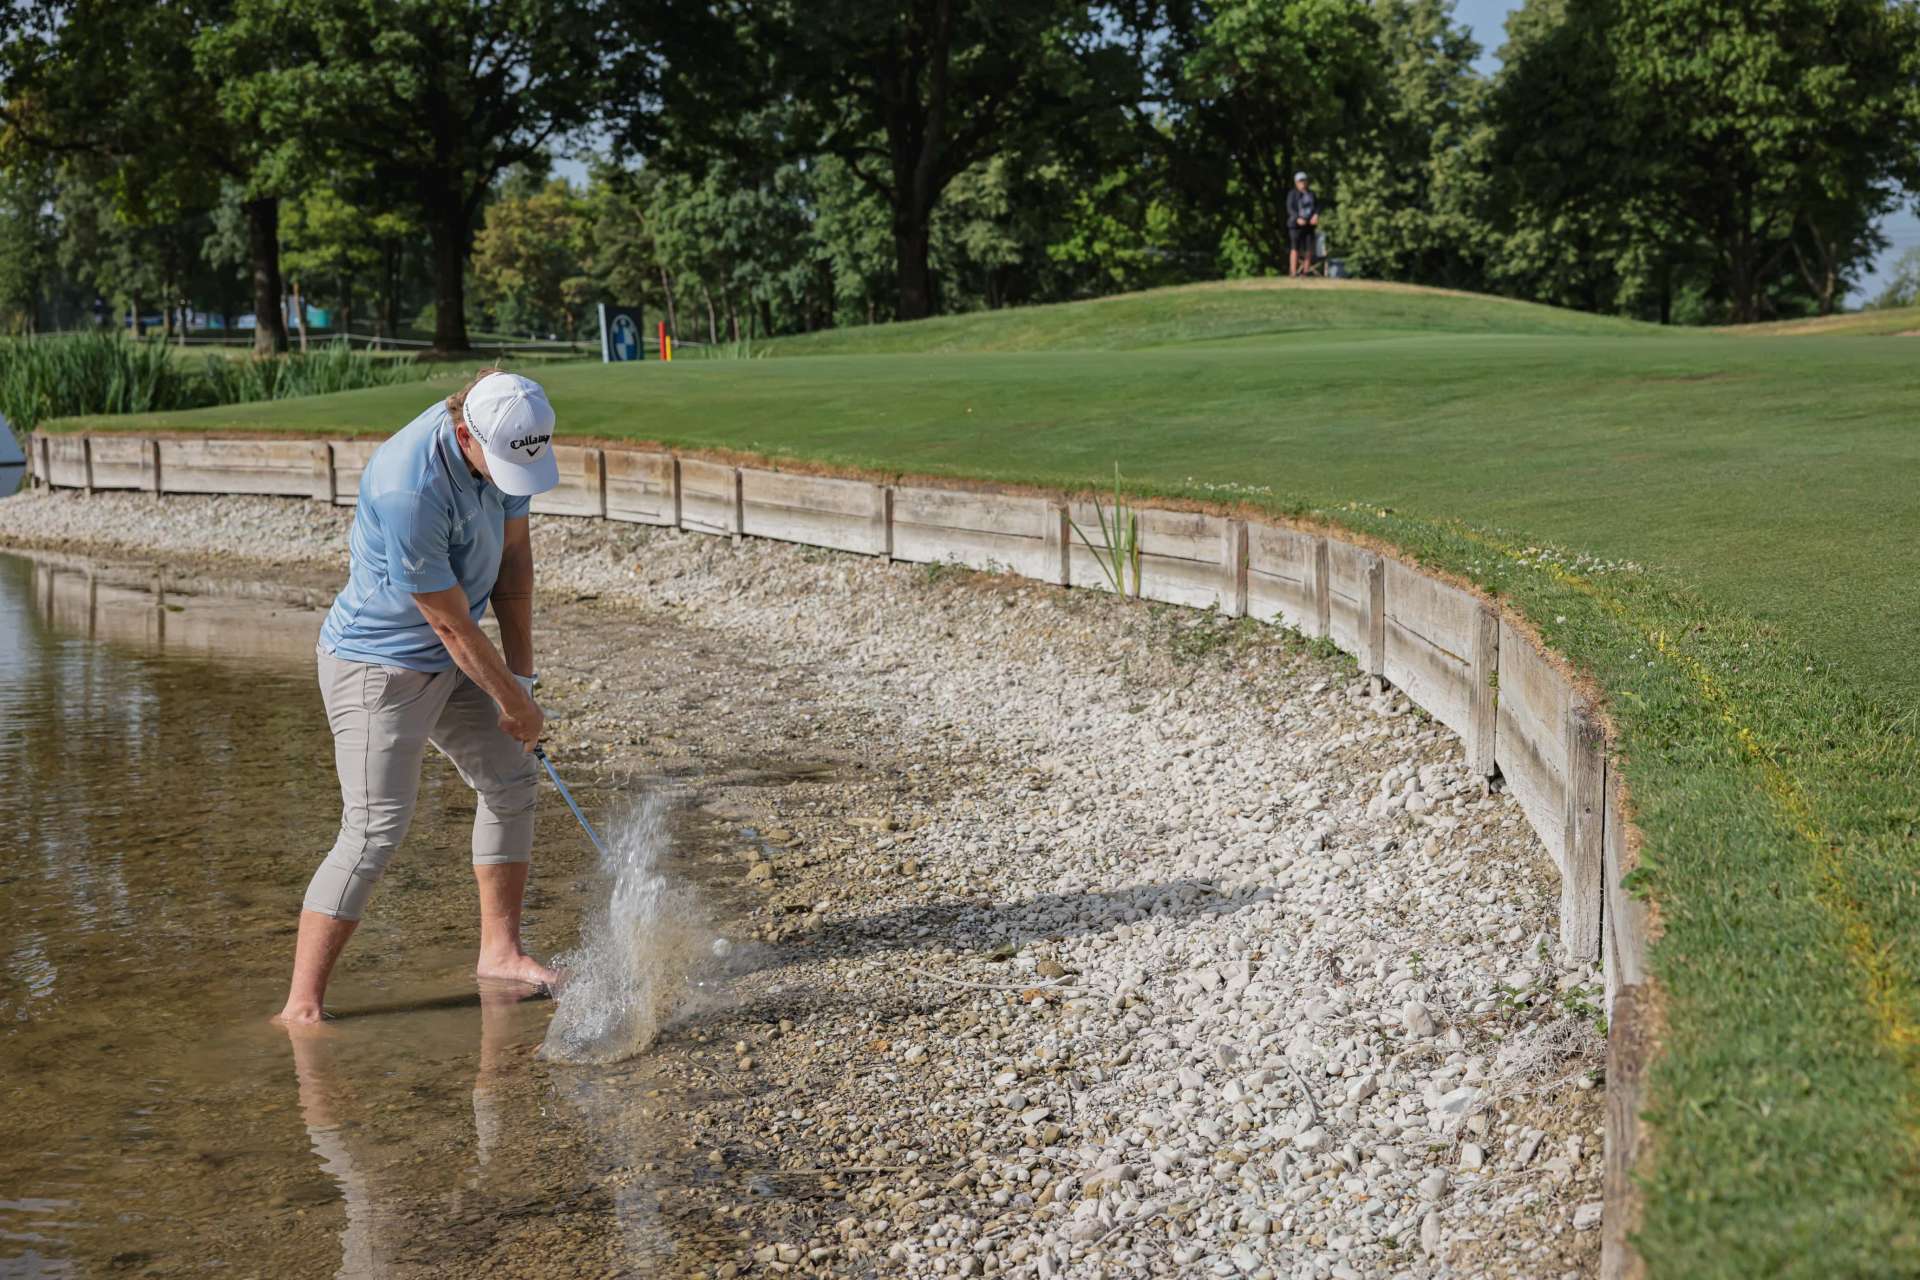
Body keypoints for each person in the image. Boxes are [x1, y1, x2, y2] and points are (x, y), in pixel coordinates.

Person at [275, 369, 562, 1025]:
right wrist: (513, 704)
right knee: (375, 827)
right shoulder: (409, 484)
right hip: (377, 665)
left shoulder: (510, 437)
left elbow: (514, 562)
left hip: (451, 648)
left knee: (512, 779)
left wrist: (521, 679)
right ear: (465, 434)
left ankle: (501, 954)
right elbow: (448, 622)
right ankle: (300, 1008)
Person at [1287, 172, 1321, 278]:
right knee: (1295, 247)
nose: (1302, 183)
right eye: (1300, 181)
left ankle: (1305, 272)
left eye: (1304, 180)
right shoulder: (1292, 194)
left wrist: (1316, 215)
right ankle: (1293, 272)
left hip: (1309, 225)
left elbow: (1317, 206)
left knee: (1308, 249)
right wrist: (1297, 218)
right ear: (1296, 182)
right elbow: (1290, 208)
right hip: (1296, 226)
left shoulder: (1311, 194)